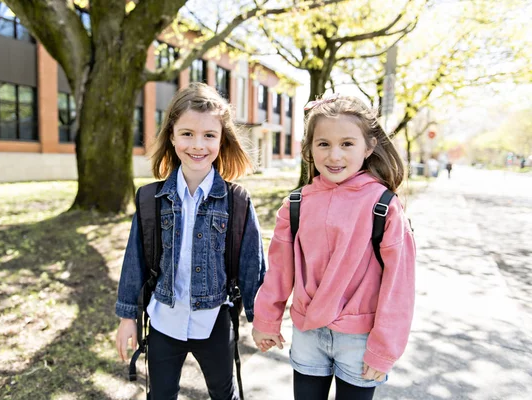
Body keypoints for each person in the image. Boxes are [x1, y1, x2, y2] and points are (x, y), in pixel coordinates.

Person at [251, 94, 416, 400]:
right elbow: (278, 272)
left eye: (347, 144)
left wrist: (384, 348)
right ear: (310, 149)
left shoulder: (384, 206)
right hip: (307, 333)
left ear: (369, 147)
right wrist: (266, 320)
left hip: (361, 339)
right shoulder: (296, 204)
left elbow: (399, 286)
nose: (334, 155)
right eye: (323, 143)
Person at [115, 82, 266, 400]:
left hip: (212, 321)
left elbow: (252, 265)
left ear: (222, 139)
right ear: (171, 136)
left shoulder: (236, 200)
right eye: (187, 133)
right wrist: (127, 316)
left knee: (225, 394)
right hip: (163, 323)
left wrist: (260, 318)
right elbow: (135, 261)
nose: (198, 144)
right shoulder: (149, 199)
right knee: (160, 394)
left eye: (209, 135)